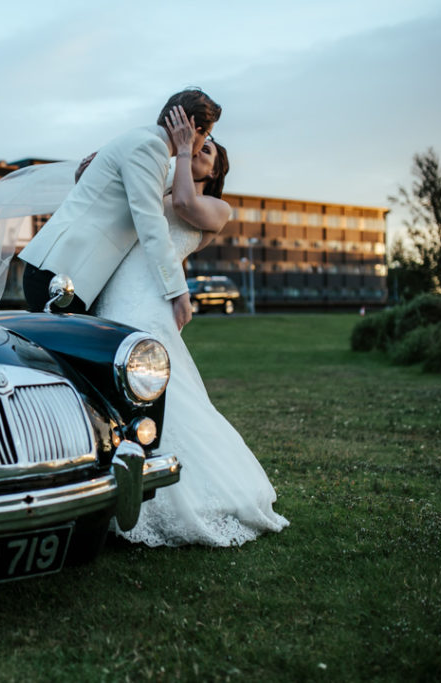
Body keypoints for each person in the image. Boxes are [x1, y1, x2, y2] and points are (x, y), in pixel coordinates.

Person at [91, 109, 289, 547]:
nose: (201, 145)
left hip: (148, 302)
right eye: (201, 142)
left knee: (159, 390)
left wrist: (181, 151)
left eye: (209, 149)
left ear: (215, 170)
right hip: (117, 292)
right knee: (114, 385)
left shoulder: (217, 207)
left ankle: (181, 496)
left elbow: (181, 204)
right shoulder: (159, 181)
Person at [18, 88, 221, 330]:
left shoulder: (142, 141)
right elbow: (151, 224)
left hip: (62, 270)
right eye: (207, 134)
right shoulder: (150, 147)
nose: (203, 143)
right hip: (62, 274)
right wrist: (178, 292)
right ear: (194, 130)